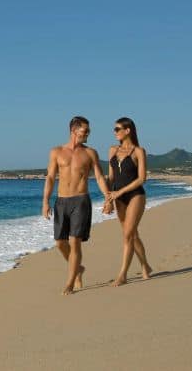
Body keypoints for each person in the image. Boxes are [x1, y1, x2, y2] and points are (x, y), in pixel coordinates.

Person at [42, 116, 111, 295]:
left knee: (75, 242)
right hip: (61, 201)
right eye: (85, 131)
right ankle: (78, 269)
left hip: (81, 201)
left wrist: (108, 198)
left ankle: (70, 282)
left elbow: (99, 177)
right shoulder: (56, 152)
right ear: (74, 131)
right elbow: (50, 177)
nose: (88, 134)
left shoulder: (90, 153)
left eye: (88, 131)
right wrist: (45, 202)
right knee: (60, 243)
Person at [104, 117, 153, 286]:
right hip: (118, 198)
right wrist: (108, 199)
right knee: (132, 234)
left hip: (135, 196)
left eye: (117, 129)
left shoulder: (139, 151)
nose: (115, 132)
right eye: (114, 129)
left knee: (127, 235)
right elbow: (110, 178)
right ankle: (145, 266)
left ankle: (122, 275)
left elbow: (142, 178)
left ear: (128, 130)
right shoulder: (112, 150)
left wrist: (120, 192)